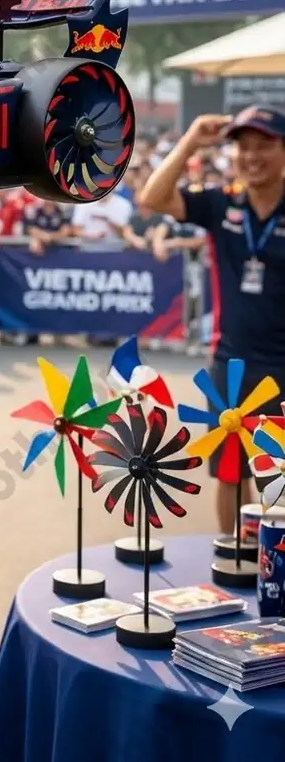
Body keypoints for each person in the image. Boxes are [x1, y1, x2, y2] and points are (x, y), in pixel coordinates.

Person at [139, 105, 285, 536]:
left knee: (276, 478)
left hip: (283, 368)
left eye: (265, 146)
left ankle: (273, 573)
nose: (252, 156)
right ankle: (232, 559)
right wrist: (190, 142)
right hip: (231, 365)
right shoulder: (221, 202)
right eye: (243, 146)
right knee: (230, 472)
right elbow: (152, 199)